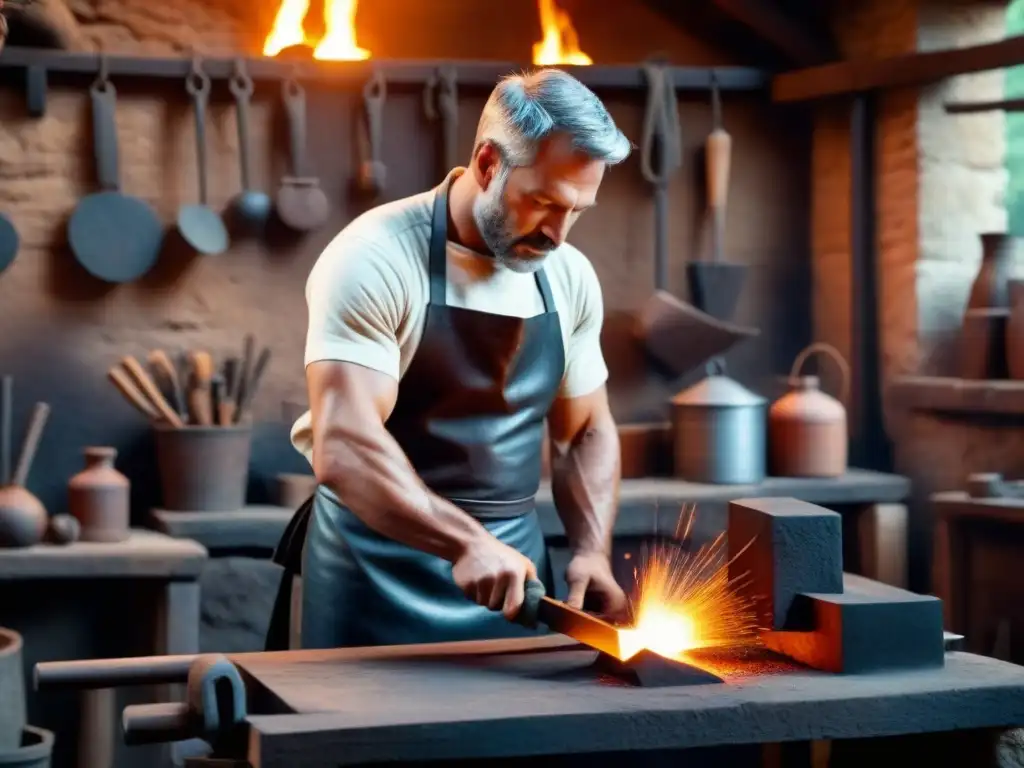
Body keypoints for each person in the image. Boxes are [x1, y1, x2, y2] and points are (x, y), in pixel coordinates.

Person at [266, 68, 633, 650]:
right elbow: (345, 442)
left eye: (578, 211)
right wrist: (466, 543)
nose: (559, 235)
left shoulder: (567, 276)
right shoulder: (374, 257)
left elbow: (585, 429)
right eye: (543, 203)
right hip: (373, 577)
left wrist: (592, 550)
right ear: (489, 164)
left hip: (516, 588)